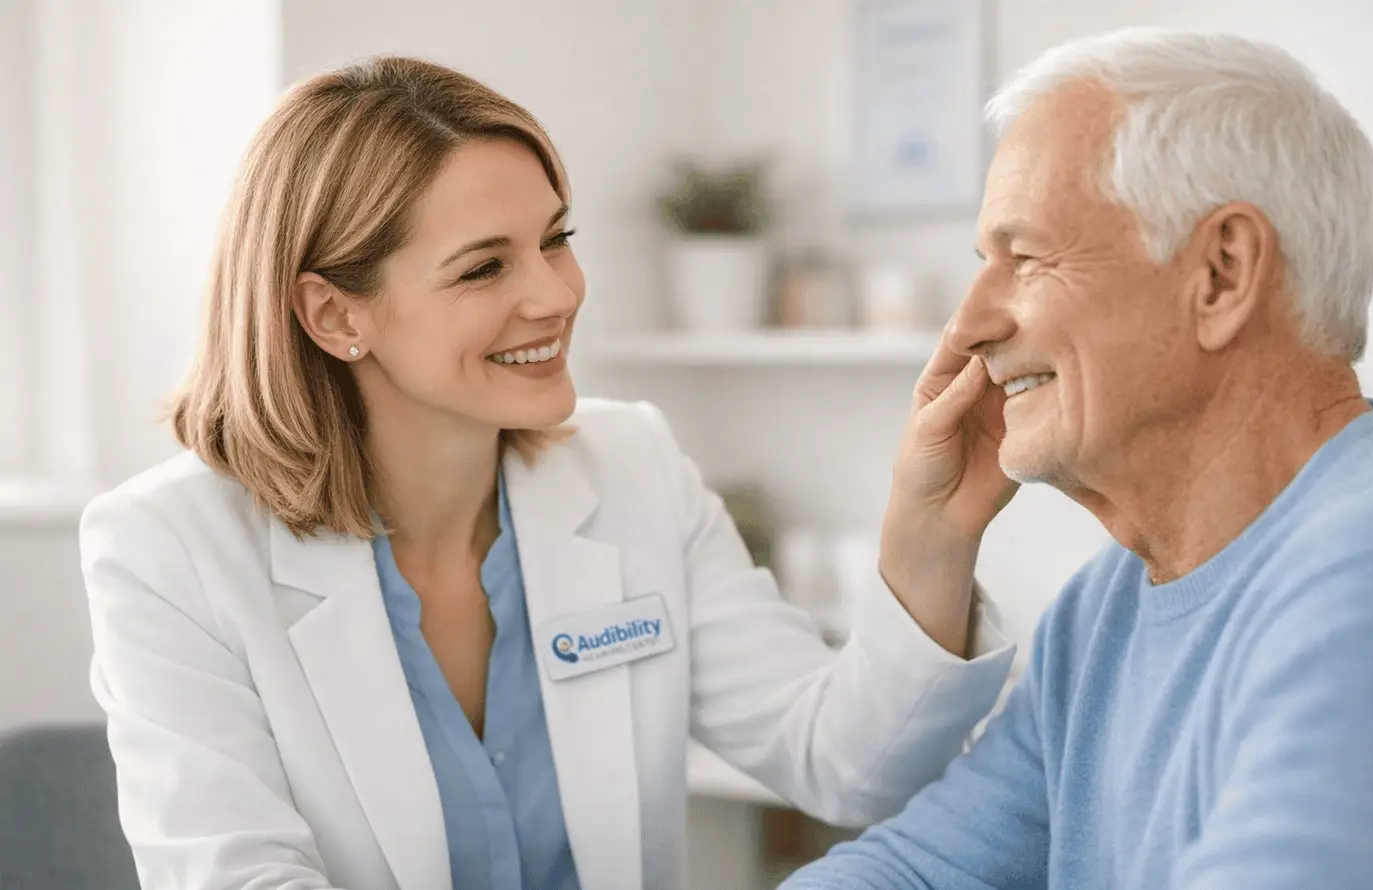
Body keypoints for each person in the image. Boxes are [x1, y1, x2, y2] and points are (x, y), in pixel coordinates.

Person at [76, 57, 1020, 890]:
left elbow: (846, 763)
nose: (556, 294)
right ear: (333, 316)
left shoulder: (633, 465)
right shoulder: (166, 549)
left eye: (556, 240)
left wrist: (932, 525)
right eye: (484, 269)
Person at [782, 27, 1373, 890]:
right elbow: (914, 871)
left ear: (1220, 272)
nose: (967, 327)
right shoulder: (1106, 609)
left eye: (1024, 259)